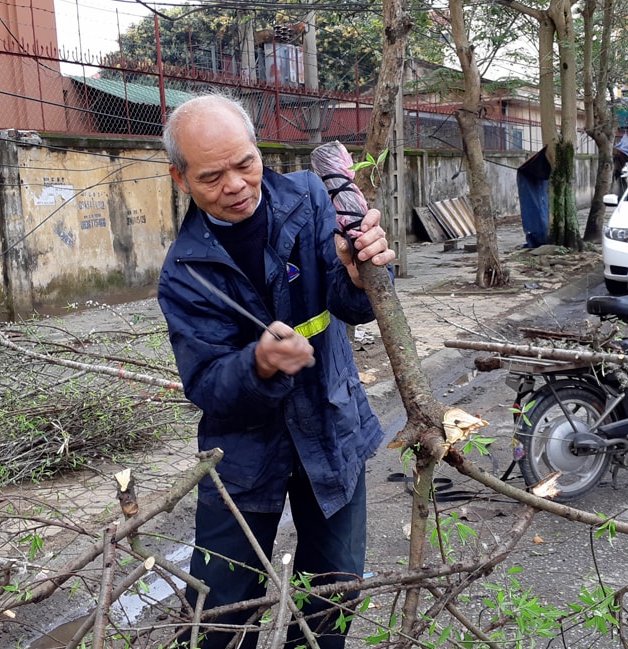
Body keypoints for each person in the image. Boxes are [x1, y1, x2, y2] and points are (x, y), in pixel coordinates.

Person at [157, 93, 395, 649]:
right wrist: (258, 363)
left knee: (332, 599)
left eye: (245, 163)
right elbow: (207, 385)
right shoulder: (184, 273)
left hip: (331, 427)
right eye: (213, 176)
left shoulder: (311, 198)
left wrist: (362, 273)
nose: (236, 185)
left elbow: (350, 303)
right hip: (242, 455)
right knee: (218, 616)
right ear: (180, 177)